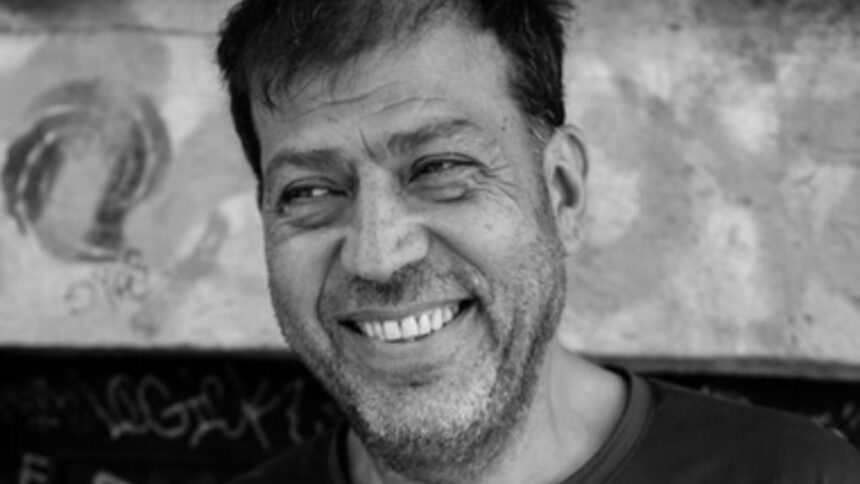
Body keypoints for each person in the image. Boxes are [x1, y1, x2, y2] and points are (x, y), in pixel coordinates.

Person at [215, 0, 860, 482]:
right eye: (309, 192)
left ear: (562, 192)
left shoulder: (793, 475)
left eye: (439, 168)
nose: (377, 257)